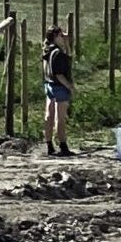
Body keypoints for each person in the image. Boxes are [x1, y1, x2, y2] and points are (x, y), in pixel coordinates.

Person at [42, 25, 74, 157]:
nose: (64, 37)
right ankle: (63, 145)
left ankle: (49, 145)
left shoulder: (48, 50)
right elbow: (60, 74)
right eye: (61, 35)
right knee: (60, 118)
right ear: (55, 37)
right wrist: (70, 87)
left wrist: (65, 42)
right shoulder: (58, 54)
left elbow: (68, 55)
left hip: (49, 84)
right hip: (59, 86)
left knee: (49, 116)